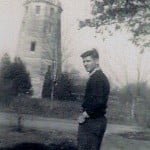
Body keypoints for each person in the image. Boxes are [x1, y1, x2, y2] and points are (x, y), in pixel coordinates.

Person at [77, 48, 110, 150]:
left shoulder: (98, 78)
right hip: (95, 122)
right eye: (84, 61)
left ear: (96, 61)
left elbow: (99, 101)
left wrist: (85, 114)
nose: (85, 64)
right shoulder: (97, 77)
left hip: (93, 122)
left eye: (88, 61)